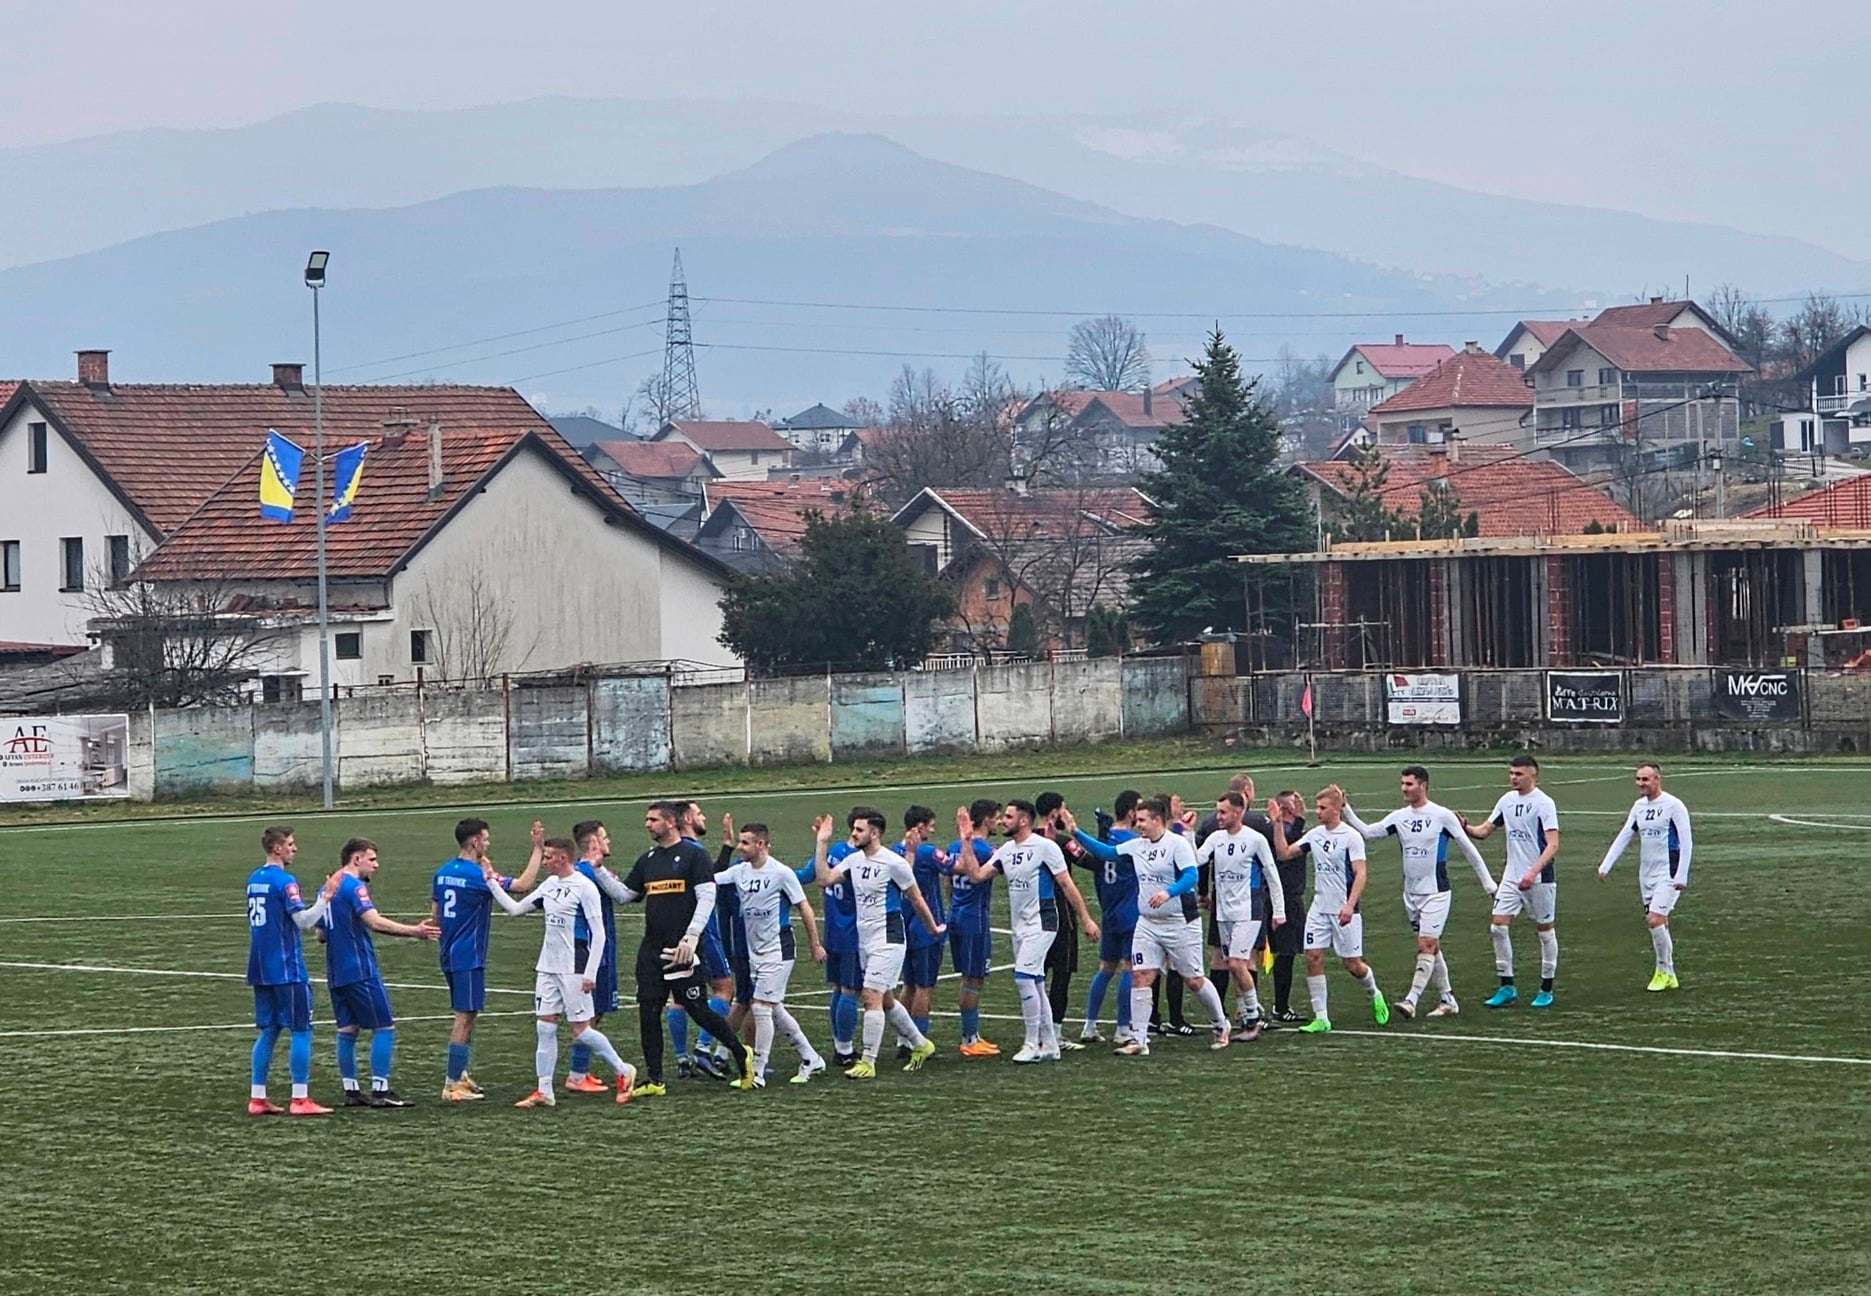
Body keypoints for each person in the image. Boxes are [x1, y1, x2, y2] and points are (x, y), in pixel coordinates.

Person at [1064, 797, 1232, 1056]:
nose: (1138, 824)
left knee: (1193, 980)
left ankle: (1221, 1024)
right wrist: (1076, 832)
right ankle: (1139, 1039)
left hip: (1180, 922)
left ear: (1157, 820)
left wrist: (1168, 892)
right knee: (1140, 975)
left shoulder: (1177, 844)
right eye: (1137, 819)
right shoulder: (1137, 845)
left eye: (1142, 820)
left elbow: (1191, 876)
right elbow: (1107, 853)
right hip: (1148, 923)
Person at [484, 838, 638, 1108]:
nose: (544, 862)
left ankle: (623, 1069)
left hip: (574, 966)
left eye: (548, 857)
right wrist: (491, 882)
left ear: (562, 858)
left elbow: (599, 934)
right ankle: (544, 1090)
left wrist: (590, 973)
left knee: (581, 1030)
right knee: (545, 1026)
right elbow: (516, 910)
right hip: (547, 966)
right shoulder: (549, 885)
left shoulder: (585, 887)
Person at [619, 801, 753, 1095]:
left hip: (683, 950)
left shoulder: (695, 855)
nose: (647, 824)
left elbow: (707, 897)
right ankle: (655, 1080)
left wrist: (691, 938)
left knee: (697, 1009)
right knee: (648, 1012)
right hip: (652, 951)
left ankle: (740, 1053)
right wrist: (597, 871)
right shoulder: (648, 859)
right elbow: (625, 895)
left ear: (671, 822)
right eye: (647, 819)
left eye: (653, 819)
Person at [1341, 766, 1496, 1020]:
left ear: (1423, 785)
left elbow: (1469, 849)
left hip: (1436, 893)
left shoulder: (1442, 816)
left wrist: (1489, 885)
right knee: (1431, 947)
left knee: (1426, 944)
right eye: (1402, 783)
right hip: (1411, 894)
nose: (1404, 788)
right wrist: (1346, 807)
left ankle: (1411, 1000)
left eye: (1409, 784)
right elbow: (1368, 833)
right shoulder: (1399, 817)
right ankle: (1447, 999)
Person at [952, 800, 1099, 1063]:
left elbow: (1067, 884)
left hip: (1042, 922)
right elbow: (976, 876)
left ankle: (1032, 1043)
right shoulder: (1007, 850)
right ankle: (1050, 1044)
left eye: (1008, 817)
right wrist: (966, 840)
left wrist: (1086, 919)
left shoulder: (1045, 847)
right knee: (1037, 983)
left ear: (1023, 821)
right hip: (1019, 927)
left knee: (1023, 978)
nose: (1002, 821)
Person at [812, 808, 945, 1079]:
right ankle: (921, 1044)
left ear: (874, 833)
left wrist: (932, 927)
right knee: (885, 999)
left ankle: (868, 1061)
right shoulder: (853, 861)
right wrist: (822, 842)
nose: (853, 834)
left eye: (859, 830)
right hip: (865, 938)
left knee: (870, 995)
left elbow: (916, 898)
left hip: (888, 936)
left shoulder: (893, 863)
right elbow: (824, 879)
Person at [320, 837, 439, 1108]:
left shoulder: (327, 887)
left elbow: (320, 934)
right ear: (356, 859)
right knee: (384, 1027)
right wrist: (415, 931)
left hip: (335, 971)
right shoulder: (353, 886)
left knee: (347, 1029)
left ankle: (351, 1091)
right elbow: (374, 922)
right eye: (372, 859)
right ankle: (380, 1089)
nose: (376, 865)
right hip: (359, 970)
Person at [431, 817, 543, 1102]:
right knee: (465, 1016)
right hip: (468, 955)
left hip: (448, 951)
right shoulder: (477, 876)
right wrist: (538, 850)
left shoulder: (442, 872)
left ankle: (460, 1074)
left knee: (468, 1013)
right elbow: (522, 885)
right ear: (475, 841)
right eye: (486, 838)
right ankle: (451, 1084)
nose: (488, 843)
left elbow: (435, 916)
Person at [1268, 787, 1390, 1034]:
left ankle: (1374, 992)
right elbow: (1284, 854)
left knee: (1353, 965)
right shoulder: (1315, 835)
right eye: (1317, 807)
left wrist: (1350, 904)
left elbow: (1360, 873)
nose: (1318, 812)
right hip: (1319, 908)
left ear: (1336, 809)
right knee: (1313, 957)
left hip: (1344, 910)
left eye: (1323, 808)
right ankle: (1321, 1018)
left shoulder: (1351, 837)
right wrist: (1278, 823)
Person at [716, 821, 829, 1085]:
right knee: (774, 1007)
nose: (740, 847)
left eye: (745, 843)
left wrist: (815, 944)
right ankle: (811, 1057)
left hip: (779, 948)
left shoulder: (781, 873)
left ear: (761, 844)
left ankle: (757, 1071)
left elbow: (805, 908)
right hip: (755, 951)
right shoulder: (739, 872)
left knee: (761, 1006)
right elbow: (709, 879)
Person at [246, 825, 339, 1116]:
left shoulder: (254, 879)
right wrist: (326, 897)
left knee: (269, 1030)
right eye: (290, 844)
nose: (294, 848)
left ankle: (257, 1098)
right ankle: (300, 1099)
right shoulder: (285, 881)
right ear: (277, 848)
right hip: (286, 967)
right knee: (301, 1029)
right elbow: (304, 922)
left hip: (260, 966)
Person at [1464, 754, 1561, 1009]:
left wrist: (1532, 872)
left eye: (1518, 774)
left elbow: (1553, 845)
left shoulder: (1544, 803)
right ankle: (1507, 986)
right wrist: (1465, 827)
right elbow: (1484, 831)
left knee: (1545, 930)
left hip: (1540, 878)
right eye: (1511, 773)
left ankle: (1546, 988)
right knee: (1498, 926)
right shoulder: (1506, 801)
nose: (1513, 778)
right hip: (1511, 876)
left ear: (1532, 774)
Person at [1193, 792, 1285, 1041]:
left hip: (1249, 910)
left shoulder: (1255, 840)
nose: (1218, 816)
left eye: (1223, 812)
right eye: (1217, 811)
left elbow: (1272, 875)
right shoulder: (1216, 838)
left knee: (1236, 963)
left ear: (1237, 812)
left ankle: (1253, 1018)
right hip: (1224, 912)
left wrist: (1279, 911)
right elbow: (1196, 859)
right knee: (1233, 965)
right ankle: (1247, 1014)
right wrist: (1188, 833)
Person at [1596, 762, 1693, 992]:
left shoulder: (1673, 805)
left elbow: (1686, 841)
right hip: (1646, 873)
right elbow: (1625, 834)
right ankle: (1670, 974)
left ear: (1657, 779)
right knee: (1659, 922)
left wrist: (1681, 875)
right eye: (1638, 779)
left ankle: (1662, 970)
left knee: (1654, 919)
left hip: (1669, 872)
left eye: (1646, 779)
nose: (1641, 784)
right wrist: (1606, 864)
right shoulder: (1639, 807)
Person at [1072, 789, 1141, 1047]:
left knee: (1106, 968)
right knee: (1131, 969)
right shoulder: (1133, 841)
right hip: (1130, 912)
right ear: (1132, 812)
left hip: (1109, 911)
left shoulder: (1106, 836)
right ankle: (1123, 1028)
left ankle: (1090, 1025)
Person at [674, 801, 737, 1079]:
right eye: (699, 813)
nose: (703, 817)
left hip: (673, 930)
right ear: (688, 818)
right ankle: (702, 1049)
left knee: (677, 997)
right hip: (702, 930)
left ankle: (681, 1059)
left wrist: (726, 846)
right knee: (724, 988)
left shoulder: (669, 853)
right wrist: (727, 848)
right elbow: (710, 881)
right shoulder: (695, 851)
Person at [563, 819, 623, 1094]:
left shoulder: (583, 871)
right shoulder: (590, 873)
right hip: (593, 952)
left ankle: (581, 1071)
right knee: (589, 1015)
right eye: (605, 837)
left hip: (591, 949)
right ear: (594, 842)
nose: (609, 841)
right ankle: (577, 1075)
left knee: (593, 1014)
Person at [947, 798, 1002, 1057]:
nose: (998, 822)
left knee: (968, 977)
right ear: (987, 819)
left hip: (957, 913)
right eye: (996, 817)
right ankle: (969, 1039)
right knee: (974, 978)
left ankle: (972, 1035)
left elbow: (947, 879)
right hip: (975, 919)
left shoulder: (952, 846)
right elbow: (977, 875)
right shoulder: (985, 851)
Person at [897, 805, 951, 1056]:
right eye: (930, 825)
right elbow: (956, 866)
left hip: (903, 926)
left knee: (908, 985)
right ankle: (919, 1041)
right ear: (919, 827)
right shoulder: (928, 852)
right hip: (926, 928)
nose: (933, 830)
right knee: (924, 986)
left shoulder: (892, 851)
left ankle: (902, 1039)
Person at [1034, 791, 1086, 1050]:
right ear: (1055, 813)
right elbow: (1092, 861)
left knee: (1036, 976)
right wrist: (1075, 830)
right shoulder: (1063, 842)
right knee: (1061, 974)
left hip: (1033, 916)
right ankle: (1054, 1033)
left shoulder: (1026, 841)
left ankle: (1036, 1032)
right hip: (1062, 917)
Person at [818, 820, 866, 1065]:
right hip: (852, 932)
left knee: (838, 988)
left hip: (833, 930)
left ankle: (840, 1044)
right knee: (850, 990)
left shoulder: (836, 850)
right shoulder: (858, 860)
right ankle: (845, 1050)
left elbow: (817, 877)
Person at [1263, 790, 1309, 1025]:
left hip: (1278, 898)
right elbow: (1288, 846)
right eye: (1293, 806)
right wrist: (1298, 819)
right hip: (1285, 900)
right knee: (1285, 953)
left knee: (1282, 954)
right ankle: (1280, 1007)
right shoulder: (1281, 832)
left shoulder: (1279, 830)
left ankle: (1275, 1006)